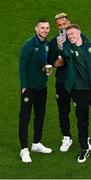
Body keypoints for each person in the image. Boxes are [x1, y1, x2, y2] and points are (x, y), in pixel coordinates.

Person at [57, 24, 91, 163]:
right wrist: (61, 46)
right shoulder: (69, 48)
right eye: (68, 35)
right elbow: (65, 53)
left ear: (79, 32)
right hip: (78, 92)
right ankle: (84, 149)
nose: (70, 36)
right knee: (82, 122)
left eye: (72, 33)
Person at [48, 13, 91, 152]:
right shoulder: (54, 41)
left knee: (81, 111)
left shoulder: (79, 37)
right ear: (57, 26)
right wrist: (57, 63)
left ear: (69, 23)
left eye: (64, 24)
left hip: (78, 82)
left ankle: (84, 138)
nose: (62, 27)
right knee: (63, 111)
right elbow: (51, 62)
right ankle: (66, 137)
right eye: (59, 25)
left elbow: (88, 56)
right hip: (62, 82)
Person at [19, 19, 52, 163]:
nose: (45, 30)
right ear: (36, 29)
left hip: (42, 88)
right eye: (42, 28)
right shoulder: (28, 45)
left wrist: (47, 70)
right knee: (25, 118)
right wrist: (24, 86)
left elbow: (45, 64)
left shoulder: (47, 45)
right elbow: (22, 67)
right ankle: (24, 150)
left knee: (40, 116)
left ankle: (36, 143)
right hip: (29, 89)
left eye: (47, 28)